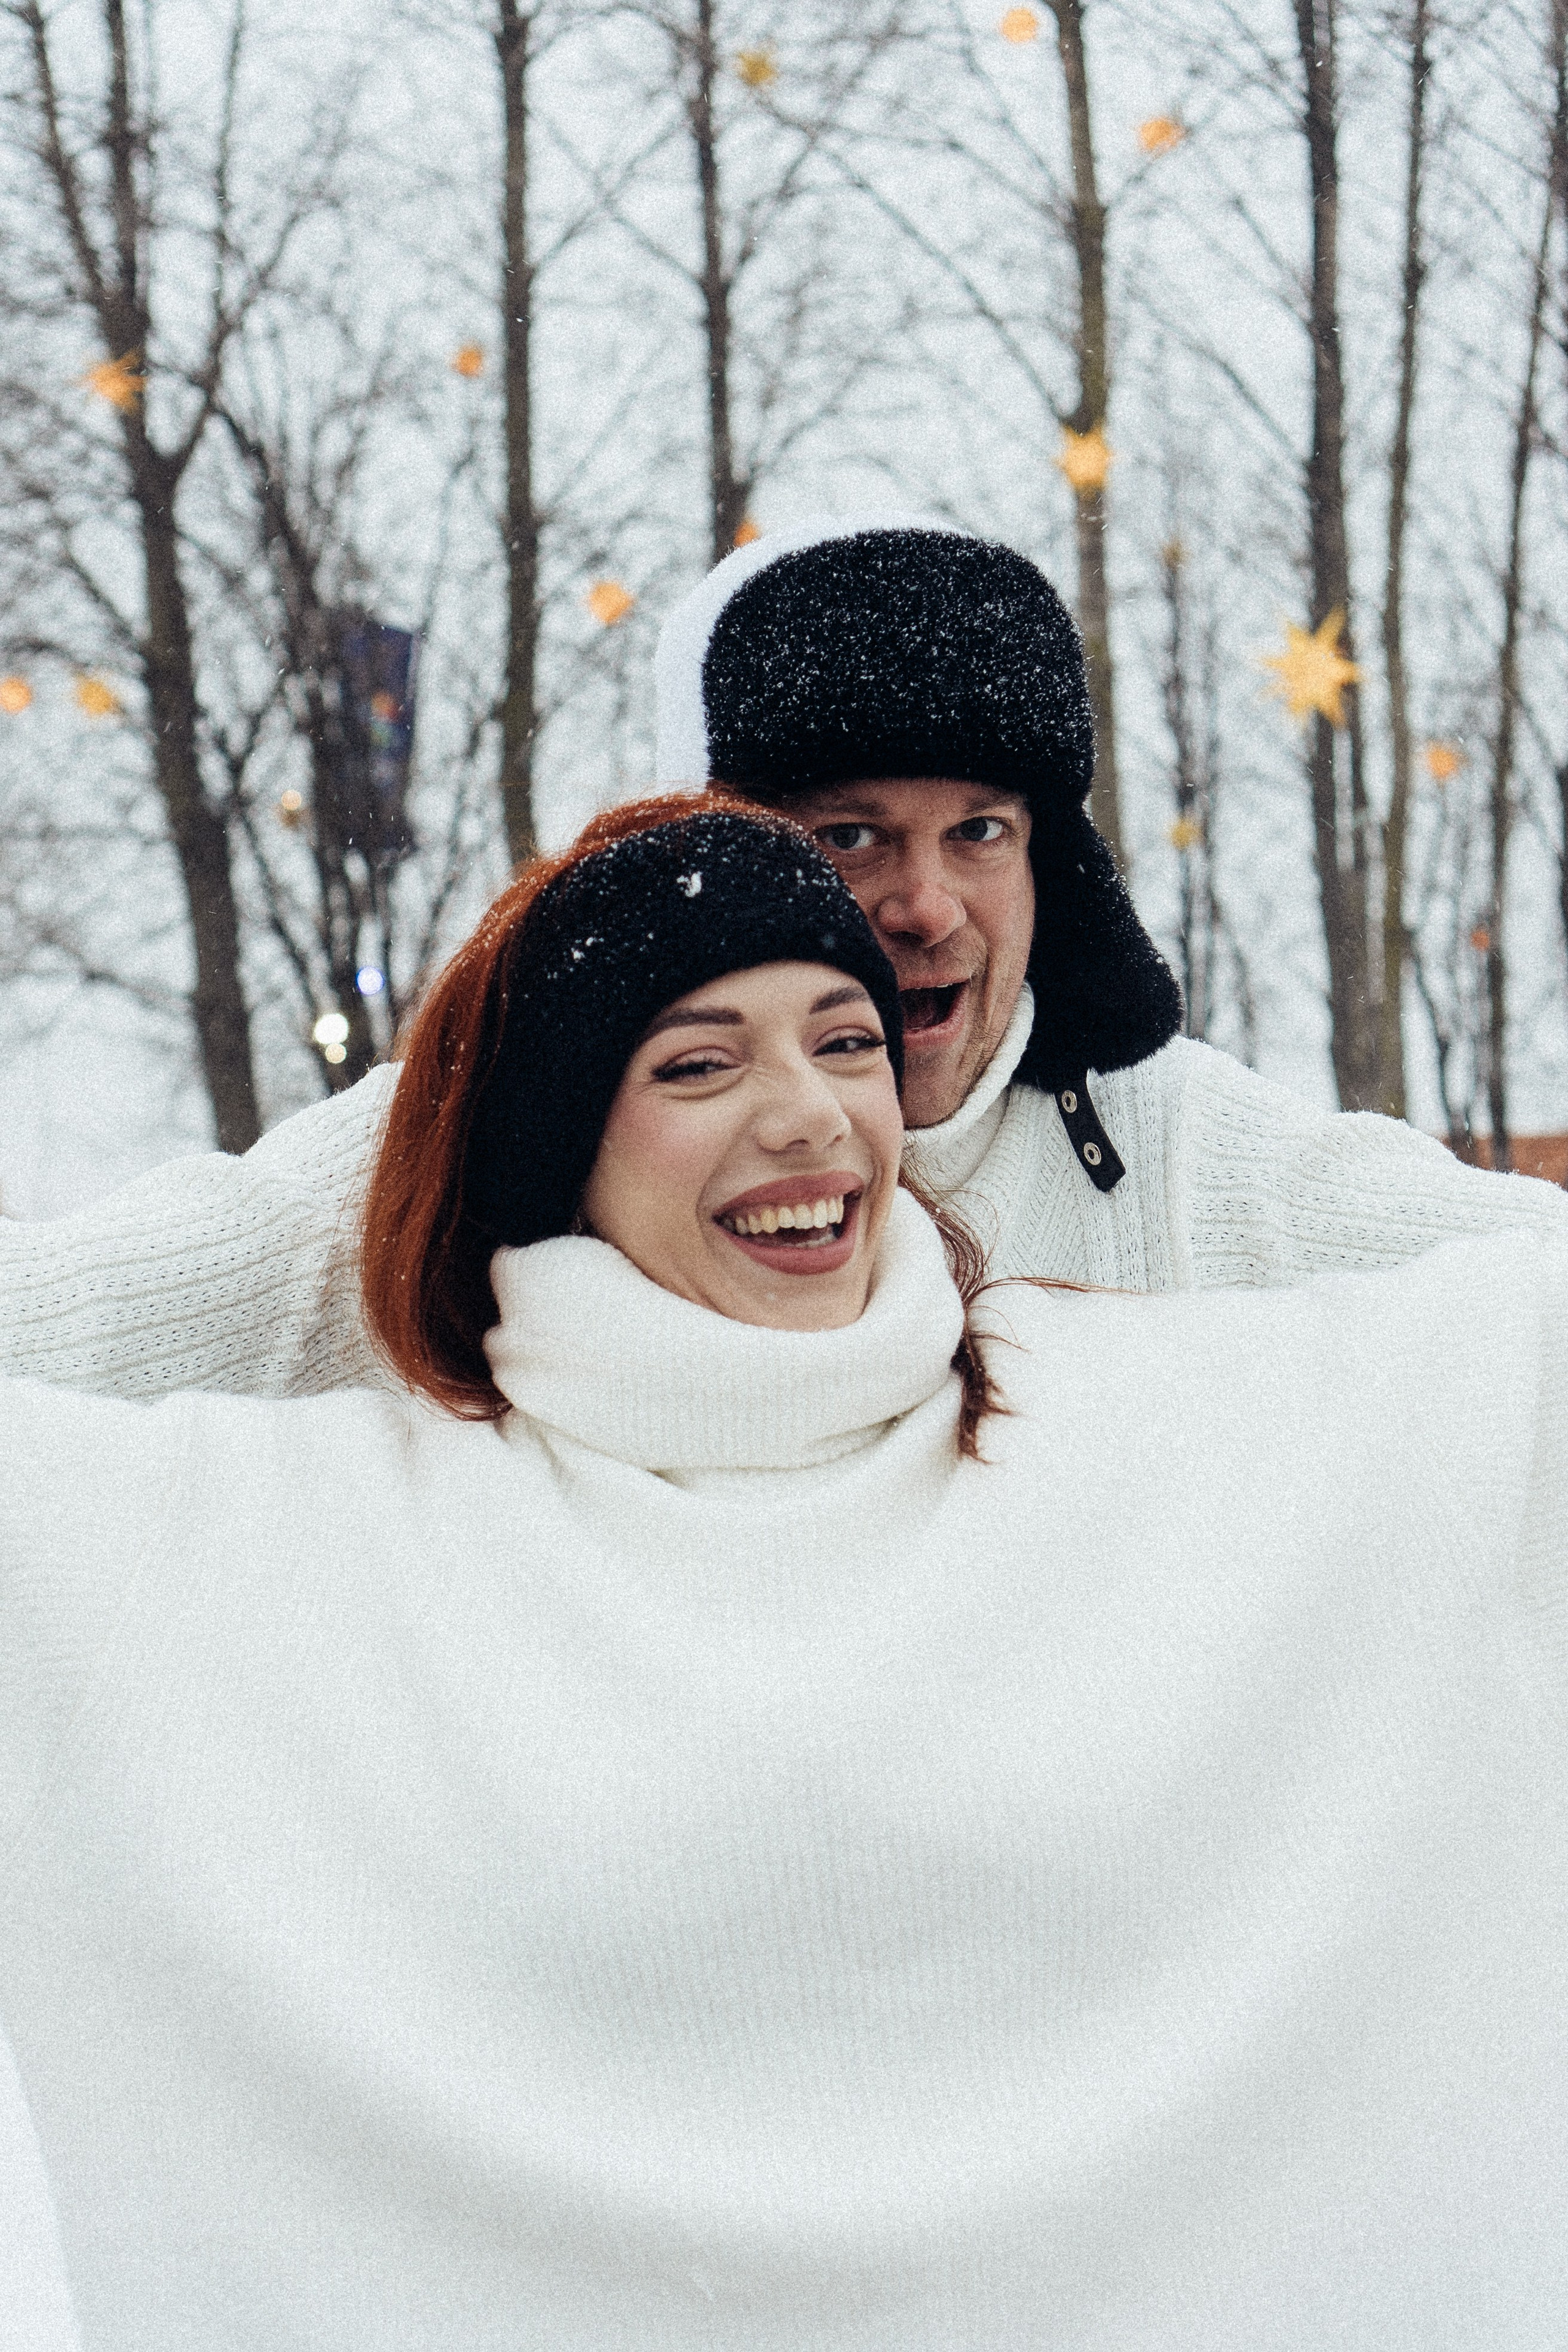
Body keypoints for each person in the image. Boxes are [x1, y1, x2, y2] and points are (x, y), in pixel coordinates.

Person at [2, 797, 1566, 2351]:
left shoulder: (1144, 1418)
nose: (810, 1117)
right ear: (552, 1138)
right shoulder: (327, 1535)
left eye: (844, 1043)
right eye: (696, 1063)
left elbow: (1515, 1355)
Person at [1, 516, 1566, 1403]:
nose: (926, 906)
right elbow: (92, 1313)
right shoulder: (538, 1110)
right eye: (850, 839)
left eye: (980, 833)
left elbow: (1517, 1289)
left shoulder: (1169, 1148)